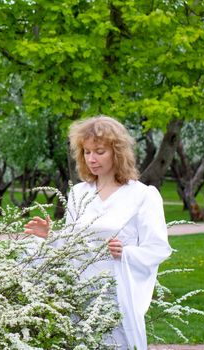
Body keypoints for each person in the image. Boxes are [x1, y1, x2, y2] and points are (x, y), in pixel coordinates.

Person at [24, 115, 172, 350]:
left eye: (99, 151)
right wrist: (51, 237)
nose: (92, 159)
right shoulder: (79, 193)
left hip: (116, 293)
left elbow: (158, 248)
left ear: (117, 151)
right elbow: (74, 245)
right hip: (79, 292)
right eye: (86, 152)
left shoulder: (143, 195)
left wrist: (126, 252)